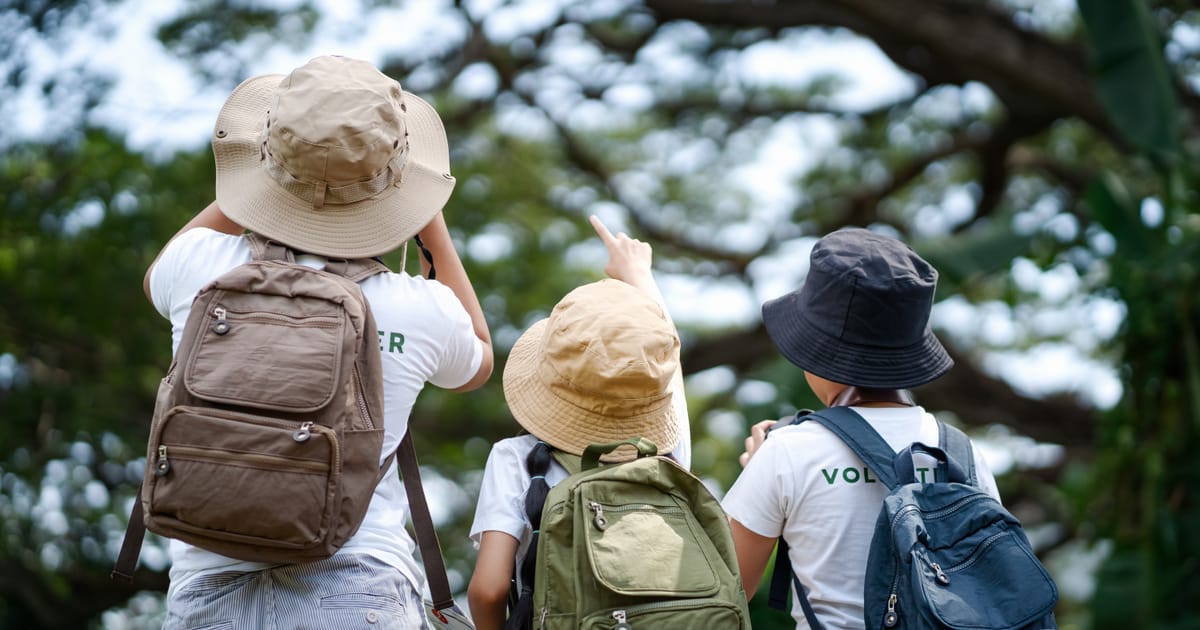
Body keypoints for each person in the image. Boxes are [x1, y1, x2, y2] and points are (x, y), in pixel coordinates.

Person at [144, 55, 493, 629]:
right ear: (401, 185)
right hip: (357, 581)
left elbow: (158, 271)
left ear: (266, 157)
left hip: (209, 588)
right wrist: (424, 209)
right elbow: (478, 359)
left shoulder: (197, 267)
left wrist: (263, 179)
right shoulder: (420, 308)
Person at [721, 227, 1001, 629]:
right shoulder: (961, 452)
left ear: (818, 351)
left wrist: (756, 477)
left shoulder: (787, 451)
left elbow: (729, 590)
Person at [466, 215, 692, 630]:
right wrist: (639, 274)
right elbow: (666, 369)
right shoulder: (668, 454)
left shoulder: (518, 457)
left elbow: (488, 591)